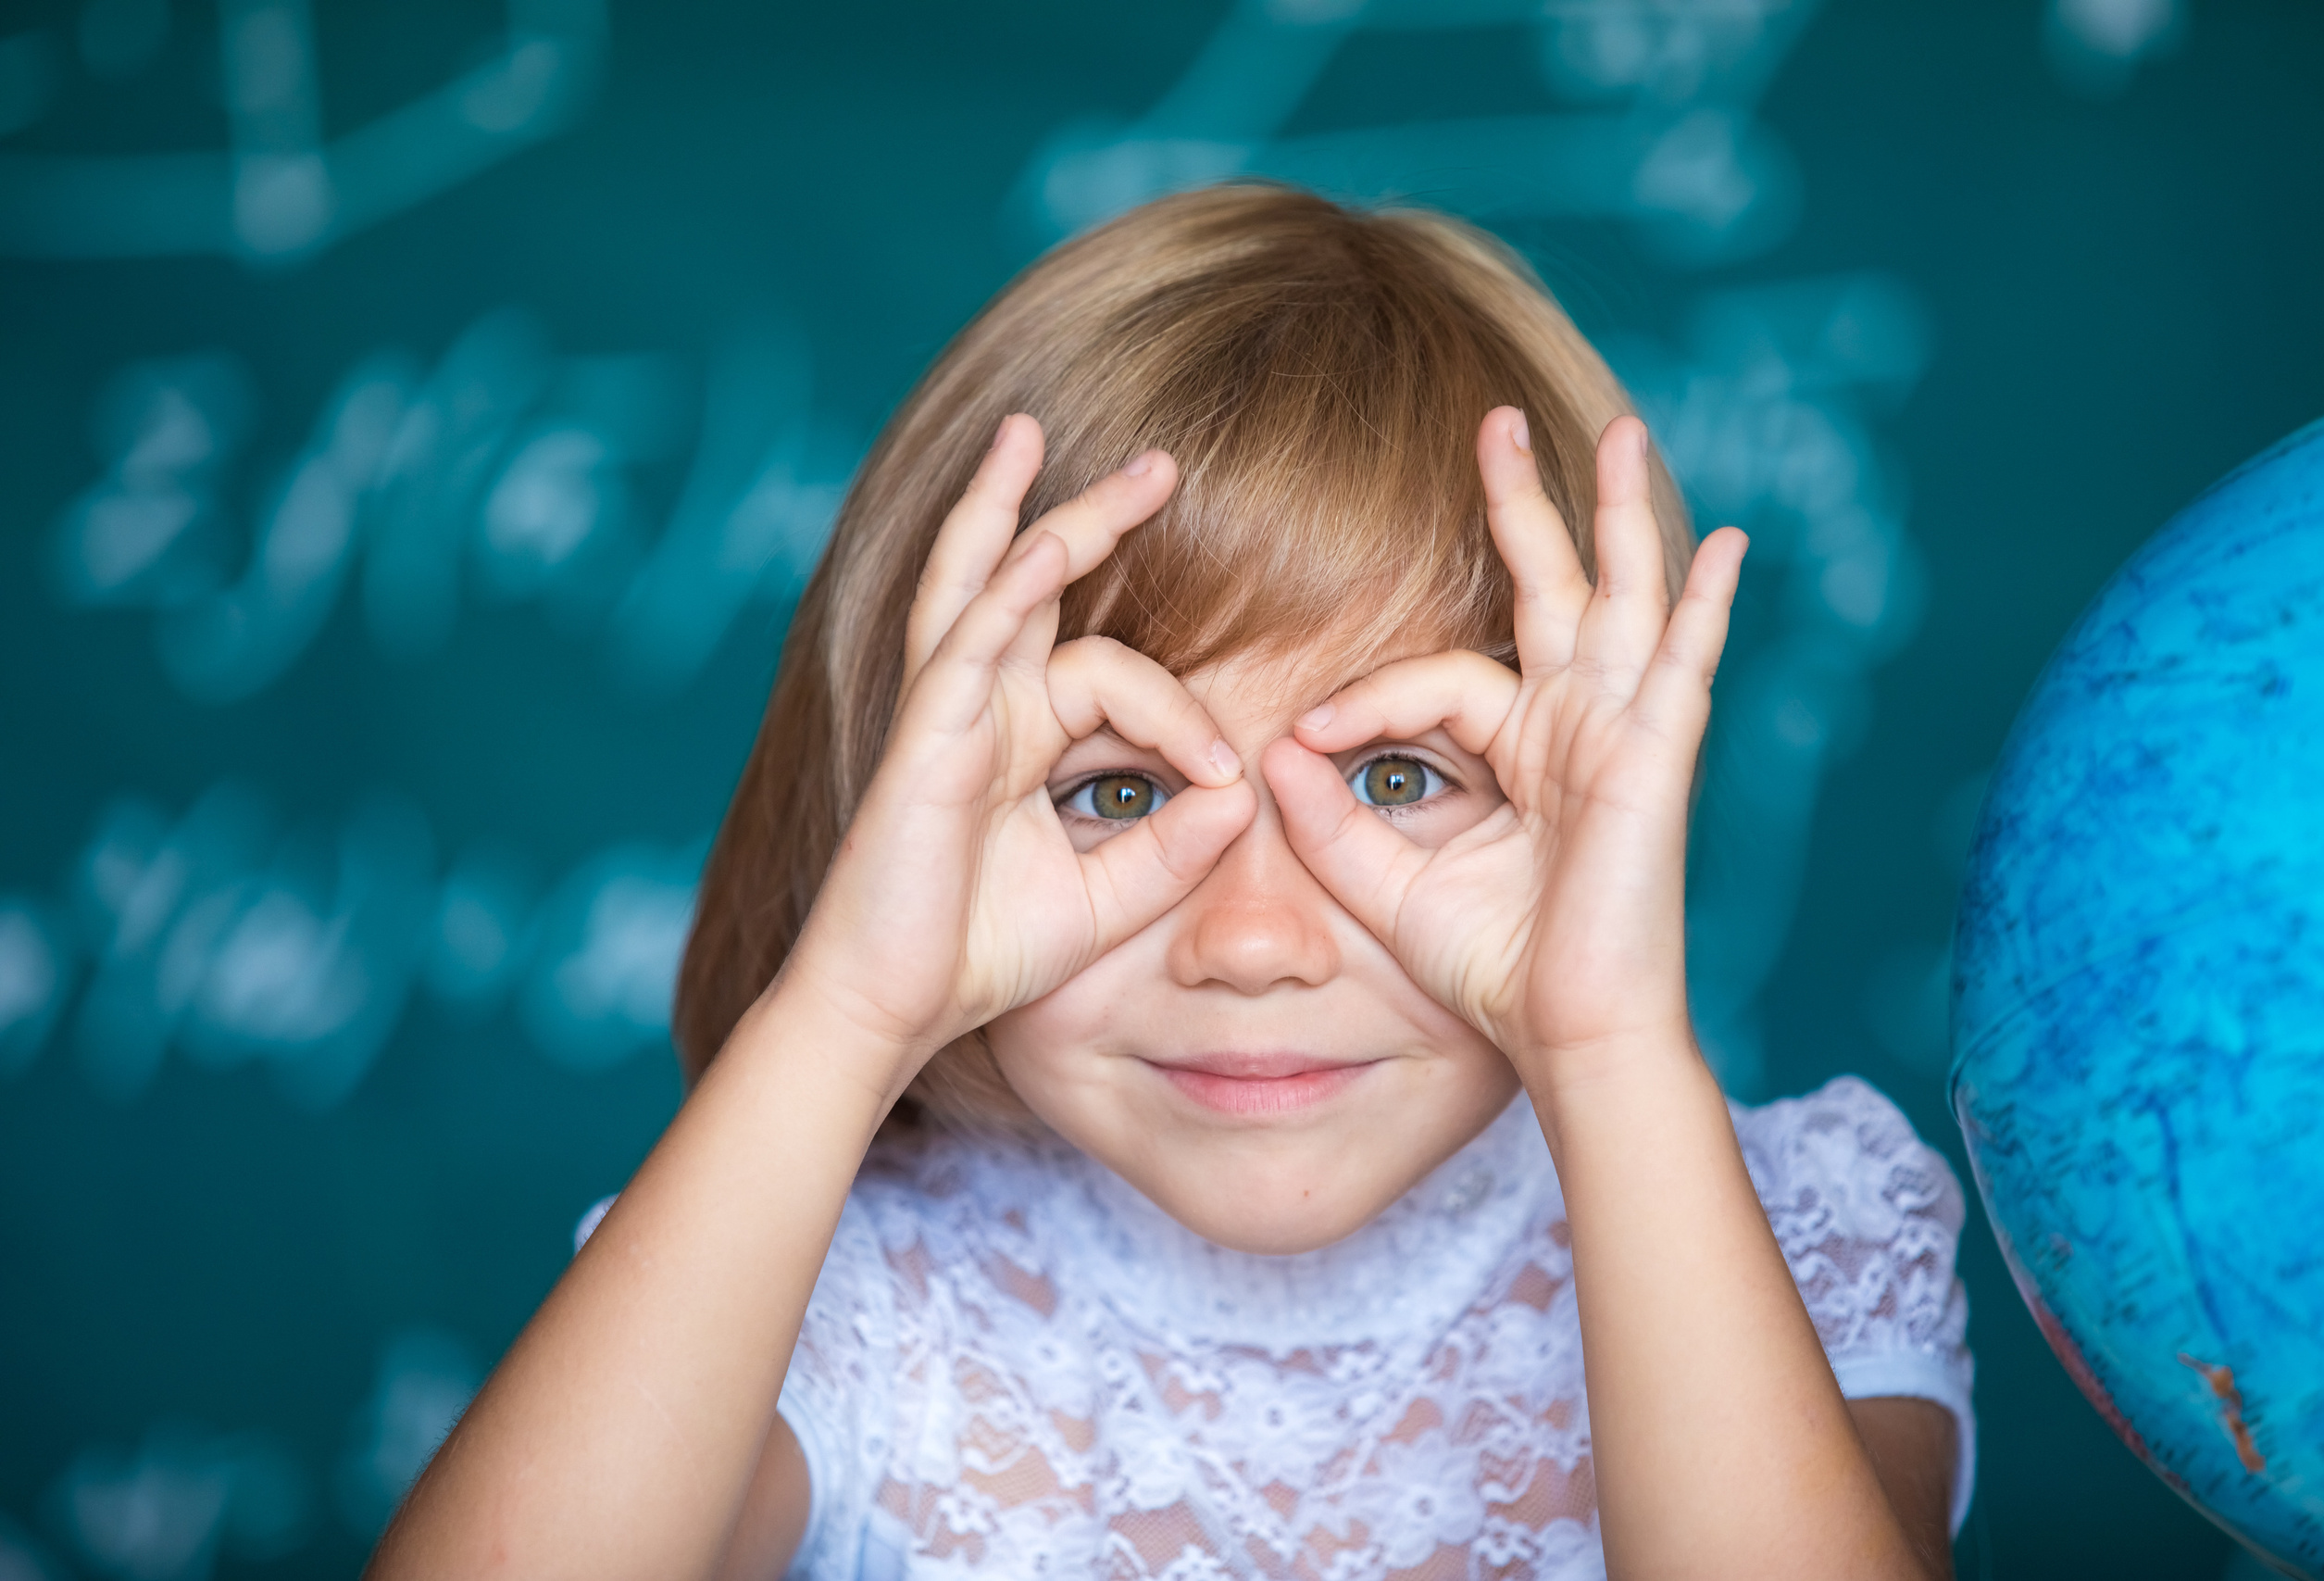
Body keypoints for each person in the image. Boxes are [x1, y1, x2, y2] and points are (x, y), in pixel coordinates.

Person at [365, 183, 1973, 1581]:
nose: (1253, 940)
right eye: (1117, 791)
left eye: (1396, 780)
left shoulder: (1804, 1232)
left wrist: (1610, 1047)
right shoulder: (840, 1299)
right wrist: (846, 1011)